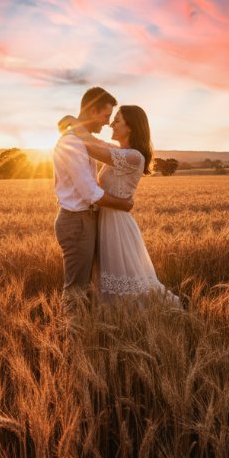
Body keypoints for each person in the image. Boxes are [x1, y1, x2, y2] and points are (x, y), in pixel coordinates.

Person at [60, 105, 181, 307]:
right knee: (111, 279)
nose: (111, 125)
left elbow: (90, 147)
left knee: (125, 280)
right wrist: (76, 125)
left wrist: (73, 125)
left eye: (117, 121)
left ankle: (146, 317)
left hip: (117, 225)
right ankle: (116, 318)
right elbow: (96, 142)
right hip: (105, 221)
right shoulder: (120, 151)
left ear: (131, 127)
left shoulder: (134, 156)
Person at [52, 87, 134, 306]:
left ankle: (83, 324)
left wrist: (74, 122)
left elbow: (110, 150)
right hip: (77, 221)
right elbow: (90, 192)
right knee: (76, 288)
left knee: (86, 286)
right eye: (106, 116)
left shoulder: (83, 141)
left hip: (83, 220)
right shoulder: (71, 143)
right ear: (92, 111)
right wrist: (123, 204)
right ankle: (72, 327)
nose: (107, 123)